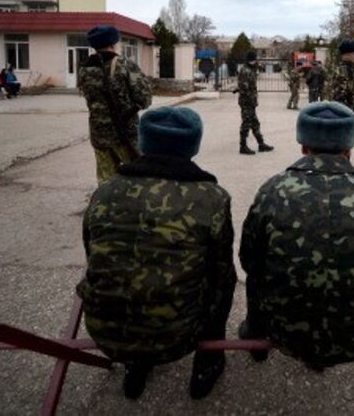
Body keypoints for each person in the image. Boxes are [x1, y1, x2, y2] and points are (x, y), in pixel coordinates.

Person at [77, 107, 236, 400]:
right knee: (223, 281)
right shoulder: (212, 197)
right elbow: (221, 271)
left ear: (143, 142)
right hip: (177, 336)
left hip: (103, 330)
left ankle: (135, 365)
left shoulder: (106, 191)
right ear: (194, 145)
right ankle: (208, 360)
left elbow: (91, 252)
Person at [239, 101, 354, 369]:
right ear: (349, 148)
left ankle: (255, 332)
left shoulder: (273, 190)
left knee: (257, 277)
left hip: (283, 331)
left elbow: (250, 260)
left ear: (303, 146)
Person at [78, 25, 153, 183]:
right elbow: (144, 99)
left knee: (106, 180)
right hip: (124, 134)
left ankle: (108, 205)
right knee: (138, 177)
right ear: (113, 42)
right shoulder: (124, 65)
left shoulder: (84, 68)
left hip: (99, 133)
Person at [236, 50, 274, 155]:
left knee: (255, 123)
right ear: (250, 60)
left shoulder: (250, 69)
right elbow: (244, 88)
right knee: (246, 124)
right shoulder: (245, 71)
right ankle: (242, 146)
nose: (255, 61)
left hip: (250, 102)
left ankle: (261, 144)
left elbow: (244, 85)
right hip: (247, 102)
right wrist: (250, 100)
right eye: (254, 60)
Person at [326, 39, 354, 115]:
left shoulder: (349, 70)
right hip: (343, 118)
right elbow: (339, 100)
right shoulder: (341, 72)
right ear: (346, 55)